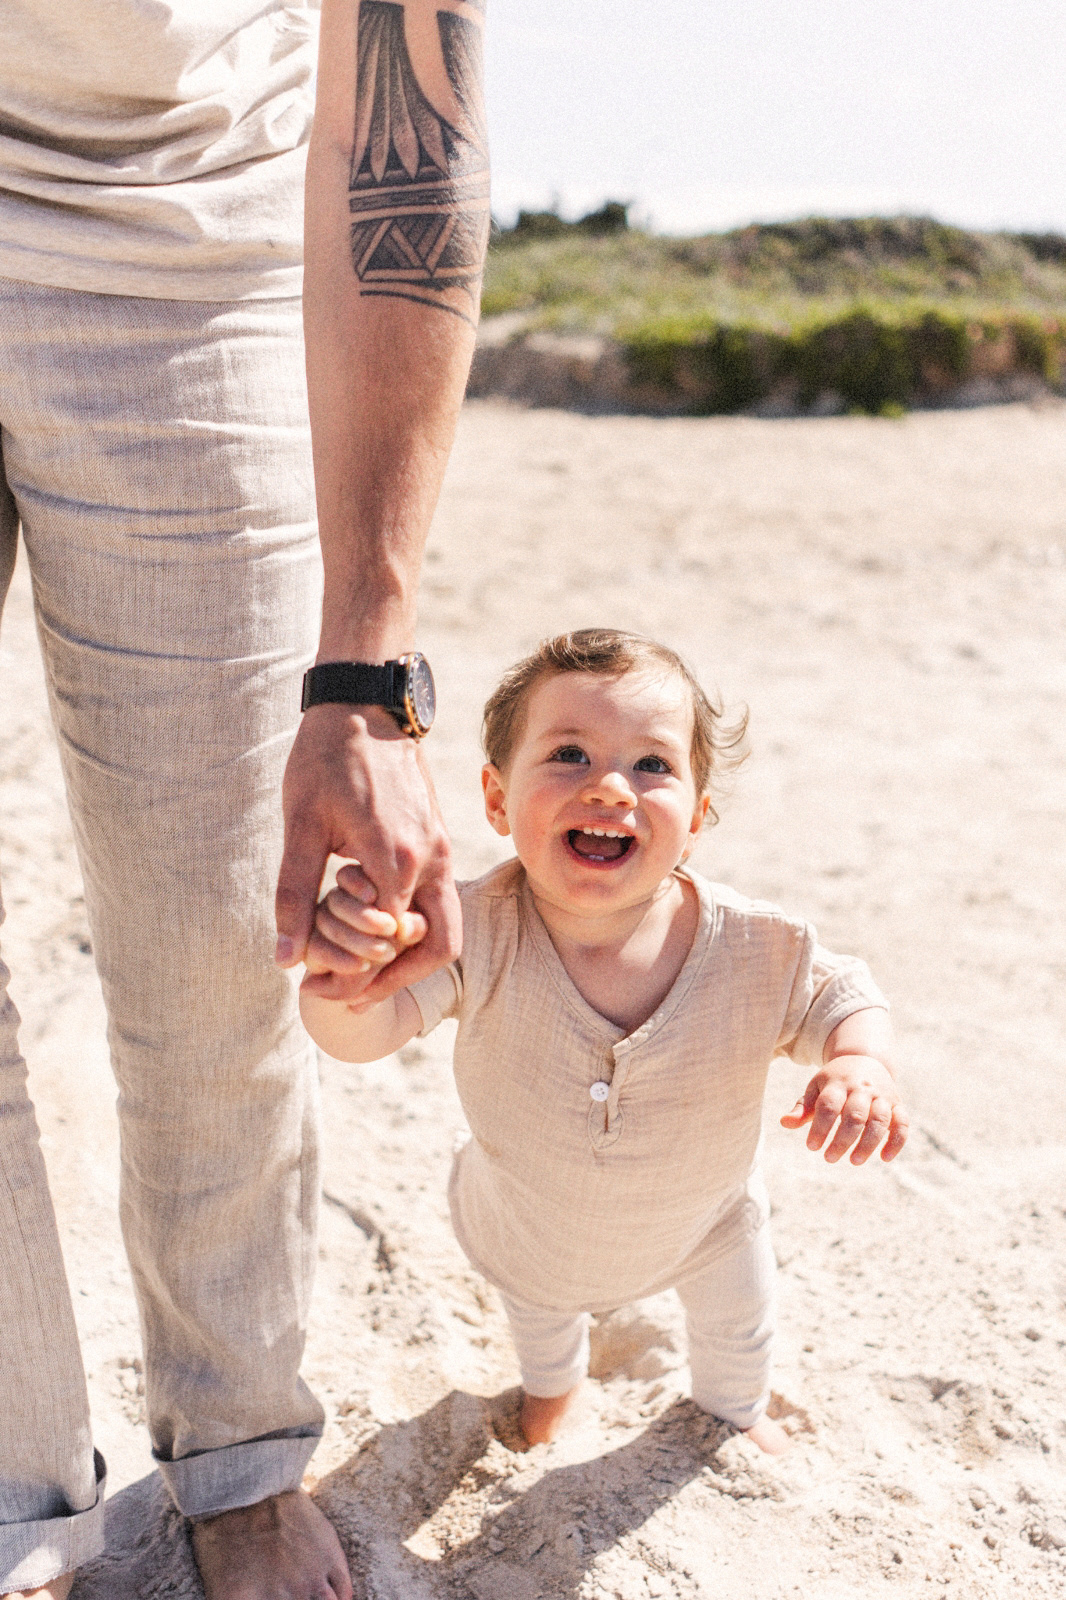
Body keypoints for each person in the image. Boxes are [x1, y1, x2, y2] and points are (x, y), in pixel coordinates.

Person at [0, 1, 487, 1596]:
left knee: (227, 923)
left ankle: (238, 1458)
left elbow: (399, 136)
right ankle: (12, 1477)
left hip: (192, 239)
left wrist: (366, 673)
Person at [300, 629, 909, 1452]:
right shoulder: (473, 931)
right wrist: (344, 988)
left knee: (737, 1324)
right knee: (542, 1319)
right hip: (530, 1219)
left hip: (706, 1224)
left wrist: (858, 1060)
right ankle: (557, 1388)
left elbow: (843, 992)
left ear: (696, 819)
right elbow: (371, 1032)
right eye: (569, 755)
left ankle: (734, 1411)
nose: (611, 787)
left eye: (653, 765)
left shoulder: (754, 946)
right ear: (495, 798)